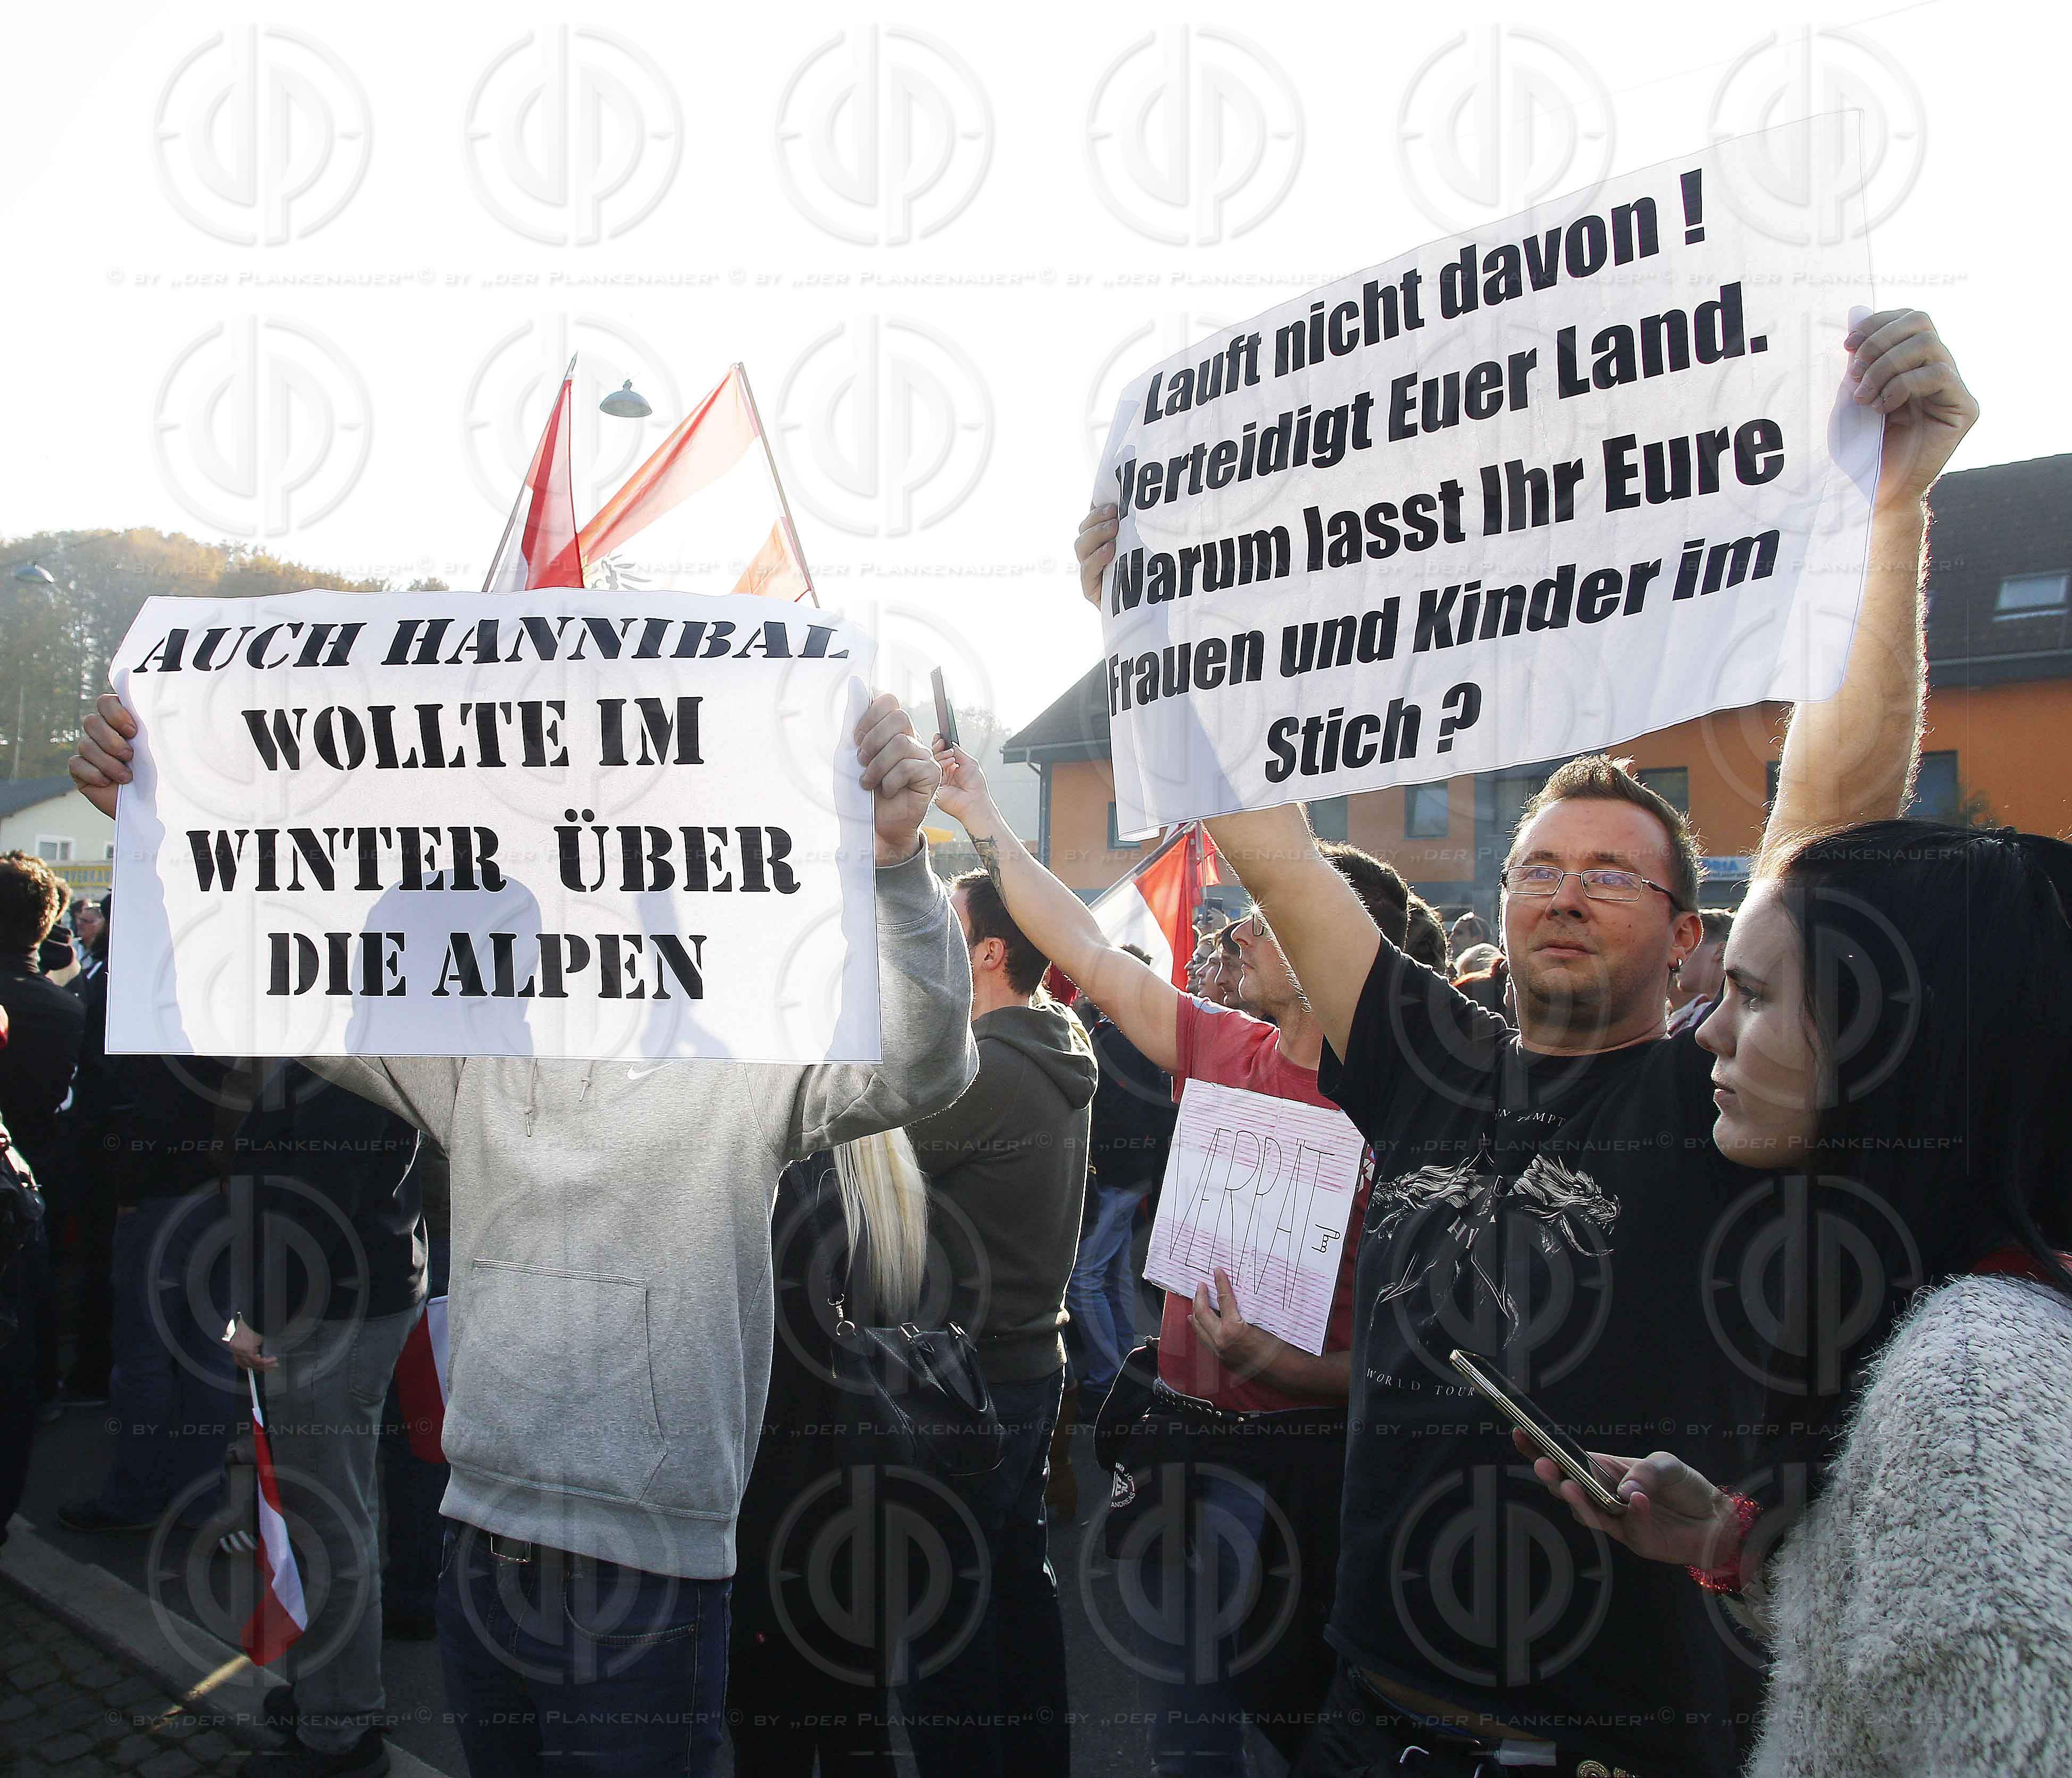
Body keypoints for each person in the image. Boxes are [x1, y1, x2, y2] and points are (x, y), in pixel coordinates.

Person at [1075, 308, 1977, 1773]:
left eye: (1615, 873)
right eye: (1539, 868)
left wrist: (1894, 511)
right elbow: (1274, 843)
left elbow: (1833, 824)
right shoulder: (1426, 1060)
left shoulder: (1724, 1097)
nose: (1564, 891)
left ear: (1694, 941)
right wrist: (1151, 625)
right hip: (1375, 1721)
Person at [70, 689, 979, 1778]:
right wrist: (155, 834)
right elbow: (269, 993)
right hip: (479, 1550)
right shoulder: (473, 1062)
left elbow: (926, 1063)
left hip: (652, 1572)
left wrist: (892, 868)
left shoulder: (747, 1066)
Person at [1520, 823, 2072, 1773]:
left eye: (1757, 994)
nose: (1710, 1031)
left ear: (1897, 1037)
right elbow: (1904, 1662)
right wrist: (1738, 1546)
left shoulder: (1973, 1383)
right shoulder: (1956, 1330)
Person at [928, 743, 1433, 1771]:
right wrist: (982, 815)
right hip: (1183, 1457)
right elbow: (1083, 942)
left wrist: (1300, 1373)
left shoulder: (1409, 1112)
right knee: (1185, 1744)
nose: (1239, 926)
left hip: (1314, 1473)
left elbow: (1435, 1354)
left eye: (1277, 914)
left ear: (1344, 946)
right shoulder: (1227, 1049)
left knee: (1317, 1736)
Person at [900, 868, 1097, 1778]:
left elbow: (865, 1146)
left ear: (985, 950)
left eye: (945, 915)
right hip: (1021, 1362)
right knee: (1013, 1588)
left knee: (944, 1621)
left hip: (966, 1377)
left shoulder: (987, 1065)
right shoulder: (1052, 1039)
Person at [220, 1061, 425, 1778]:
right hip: (348, 1293)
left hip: (326, 1306)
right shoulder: (347, 1032)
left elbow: (319, 1204)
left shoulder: (346, 1046)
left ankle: (342, 1732)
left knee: (330, 1521)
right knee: (336, 1512)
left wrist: (259, 1316)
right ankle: (330, 1700)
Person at [728, 1131, 931, 1776]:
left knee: (771, 1735)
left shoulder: (793, 1184)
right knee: (859, 1724)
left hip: (785, 1511)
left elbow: (770, 1376)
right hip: (870, 1500)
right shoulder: (889, 1166)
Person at [1071, 944, 1177, 1410]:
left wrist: (1096, 1164)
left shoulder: (1120, 1037)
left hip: (1117, 1176)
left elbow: (1120, 1116)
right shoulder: (1129, 1032)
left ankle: (1104, 1382)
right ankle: (1123, 1376)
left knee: (1085, 1280)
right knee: (1110, 1276)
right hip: (1128, 1176)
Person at [1666, 909, 1732, 1034]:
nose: (1680, 954)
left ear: (1721, 951)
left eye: (1691, 945)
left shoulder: (1740, 1017)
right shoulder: (1694, 1014)